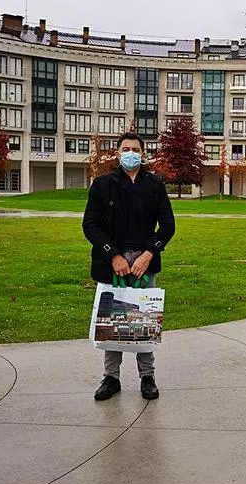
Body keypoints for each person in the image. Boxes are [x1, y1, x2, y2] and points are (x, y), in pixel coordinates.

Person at [83, 132, 175, 402]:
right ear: (118, 153)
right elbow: (90, 225)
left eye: (135, 149)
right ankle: (111, 377)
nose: (130, 153)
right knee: (113, 321)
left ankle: (147, 376)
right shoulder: (103, 184)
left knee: (144, 320)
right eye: (125, 149)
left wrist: (149, 253)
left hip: (144, 263)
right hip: (113, 263)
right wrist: (113, 255)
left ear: (143, 153)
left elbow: (167, 226)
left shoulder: (155, 185)